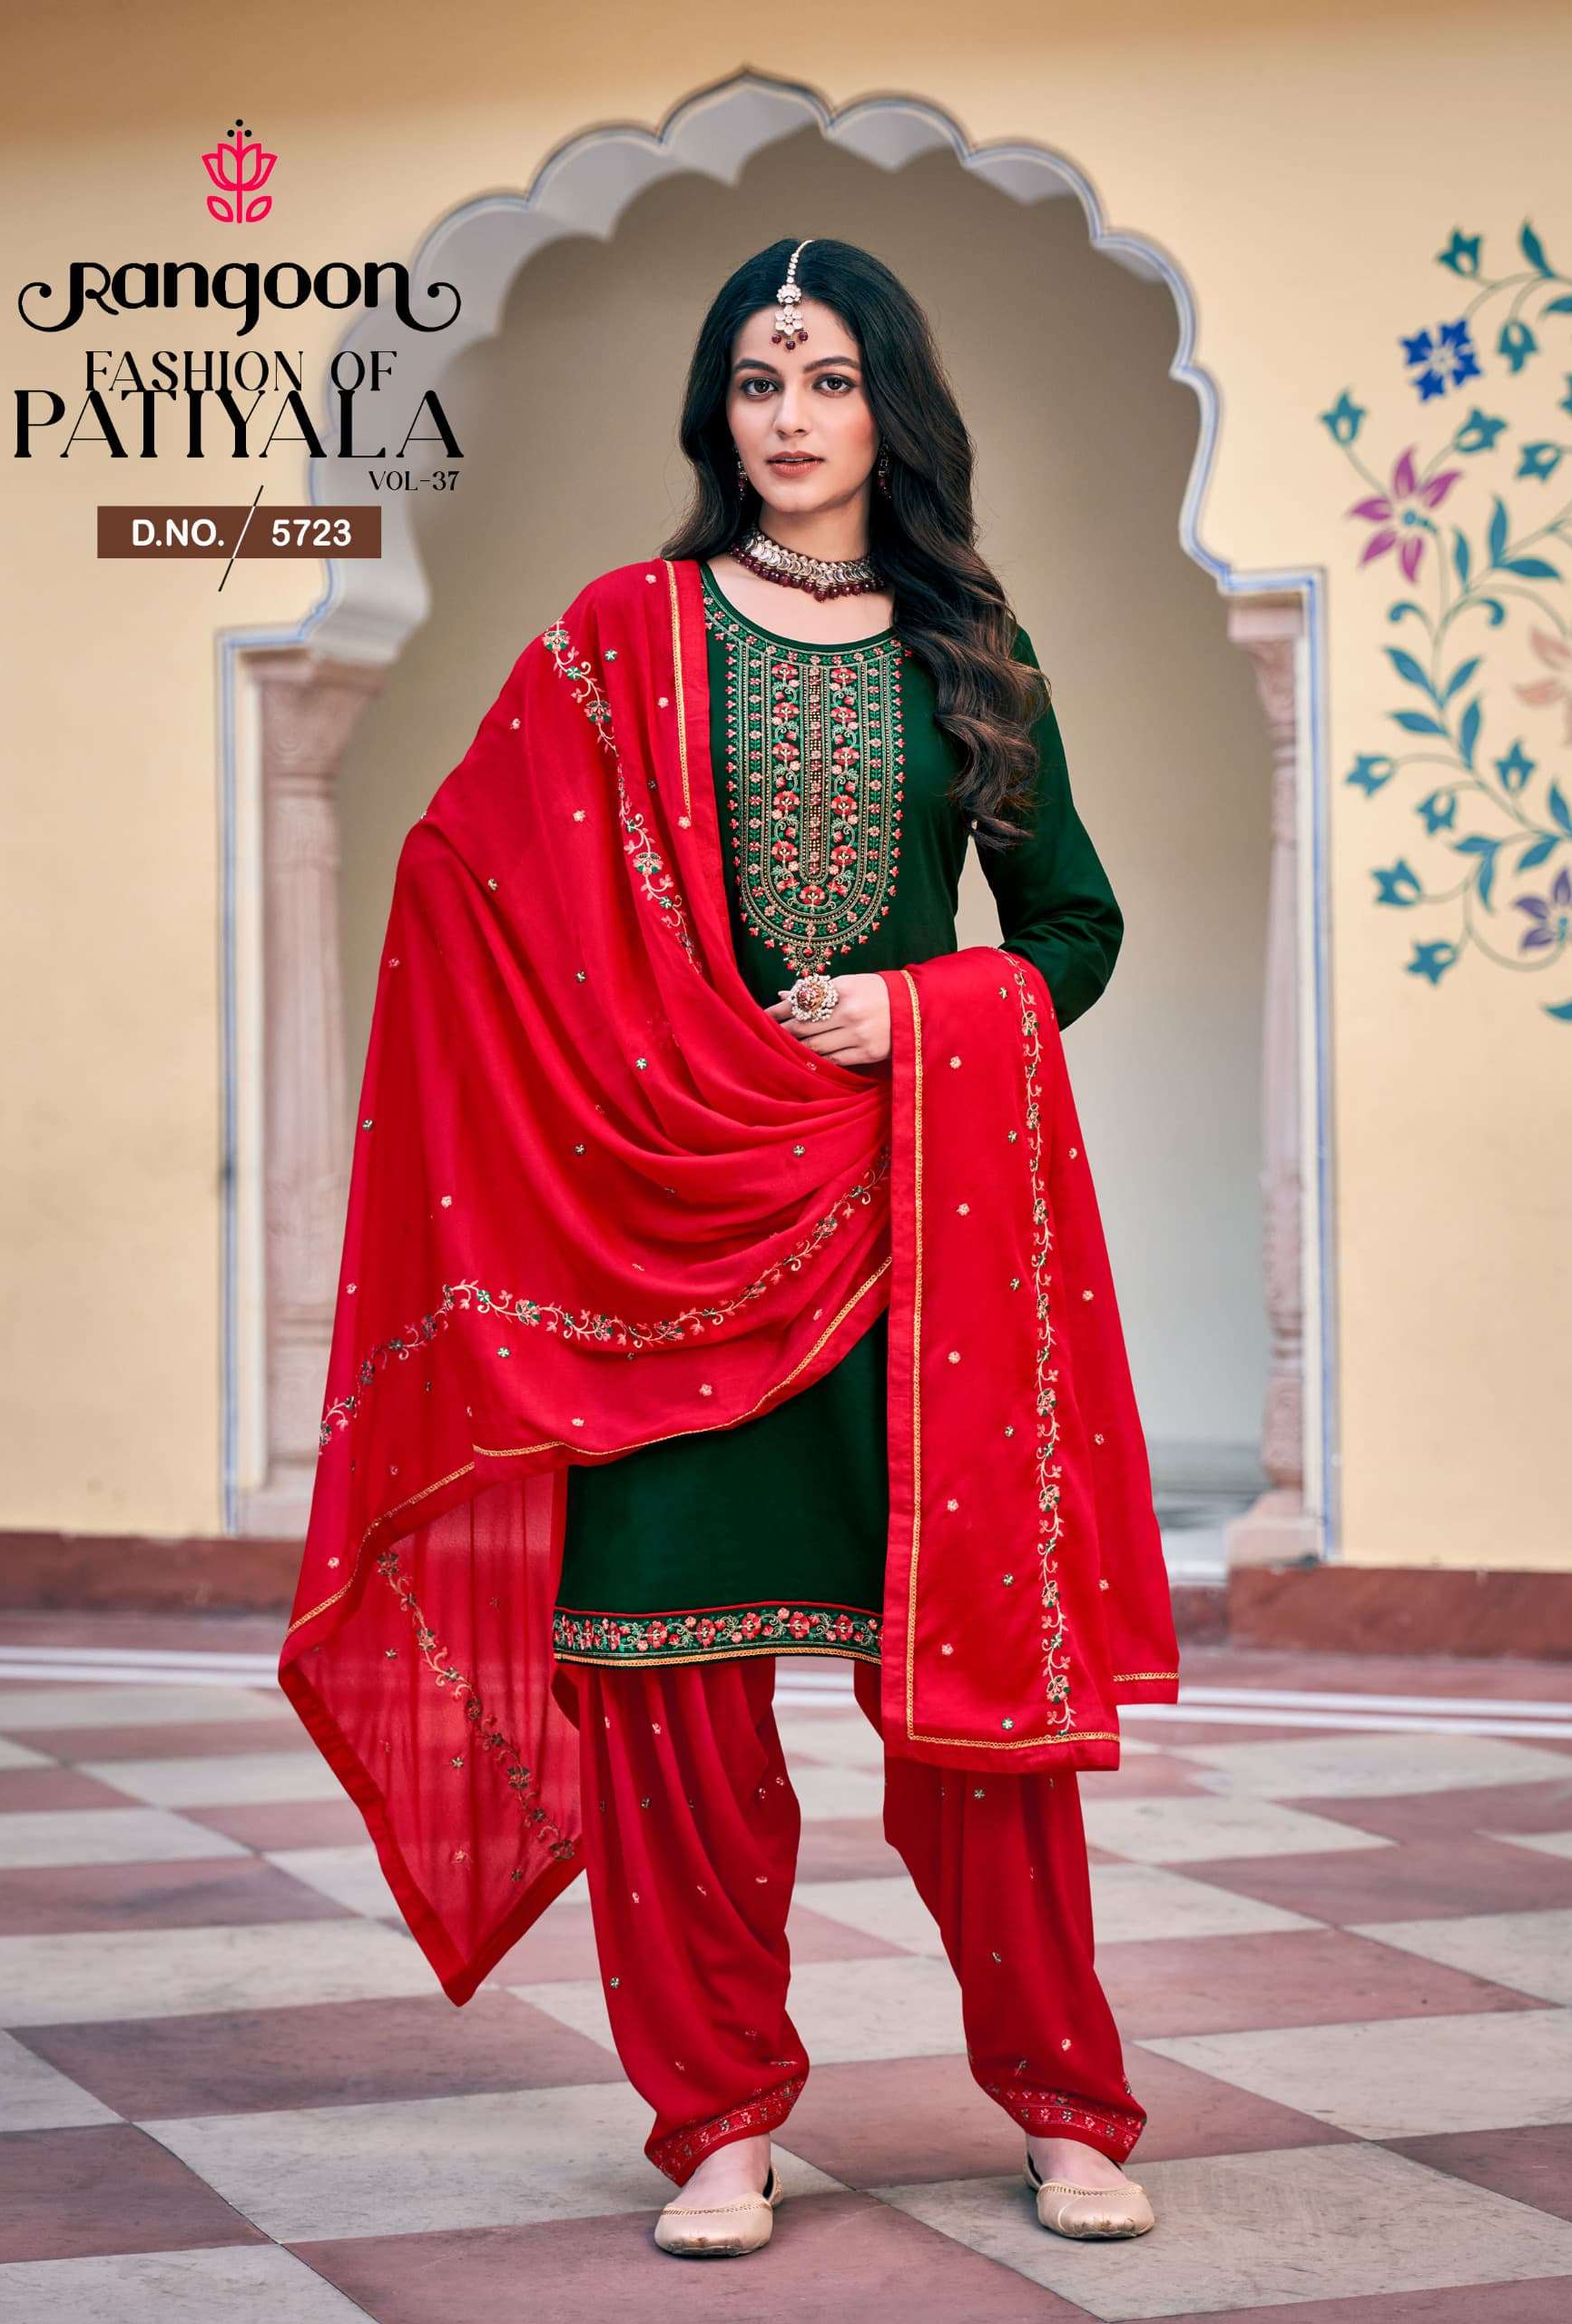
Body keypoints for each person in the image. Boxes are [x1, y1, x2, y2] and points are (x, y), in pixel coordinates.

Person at [280, 236, 1179, 2262]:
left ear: (890, 408)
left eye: (829, 378)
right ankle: (714, 2122)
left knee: (975, 1709)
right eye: (759, 380)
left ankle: (1064, 2102)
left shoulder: (973, 647)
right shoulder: (625, 630)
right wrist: (612, 1062)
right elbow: (462, 876)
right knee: (667, 1707)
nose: (790, 416)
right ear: (719, 411)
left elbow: (1074, 930)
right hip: (652, 1256)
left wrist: (923, 1010)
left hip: (910, 1240)